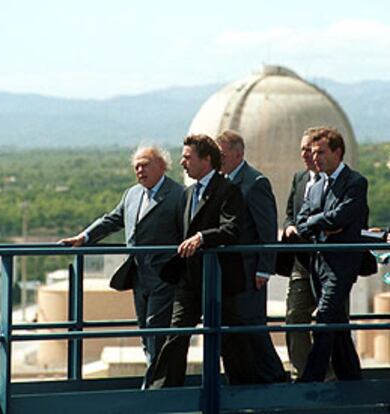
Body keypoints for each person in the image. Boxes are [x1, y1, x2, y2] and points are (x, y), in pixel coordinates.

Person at [59, 145, 184, 388]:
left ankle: (153, 390)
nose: (139, 170)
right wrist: (84, 237)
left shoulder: (178, 195)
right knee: (146, 336)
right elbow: (112, 220)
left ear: (162, 165)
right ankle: (157, 384)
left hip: (165, 278)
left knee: (155, 332)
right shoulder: (132, 195)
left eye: (145, 164)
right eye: (136, 165)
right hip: (139, 277)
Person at [149, 134, 248, 388]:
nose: (182, 163)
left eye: (187, 157)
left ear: (206, 160)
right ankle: (164, 394)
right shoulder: (188, 193)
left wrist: (203, 237)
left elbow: (232, 230)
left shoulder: (228, 191)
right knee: (177, 335)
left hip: (219, 281)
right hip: (189, 280)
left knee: (231, 342)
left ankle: (244, 392)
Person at [296, 127, 368, 382]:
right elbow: (301, 222)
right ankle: (352, 380)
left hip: (342, 264)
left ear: (338, 152)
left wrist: (319, 222)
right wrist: (323, 222)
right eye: (313, 153)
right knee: (336, 325)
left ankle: (309, 381)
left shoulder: (355, 182)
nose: (316, 158)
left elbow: (343, 215)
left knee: (324, 320)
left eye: (322, 152)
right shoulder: (315, 187)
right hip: (318, 263)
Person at [215, 130, 286, 384]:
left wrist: (264, 269)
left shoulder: (255, 182)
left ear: (238, 153)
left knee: (252, 327)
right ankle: (239, 380)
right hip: (226, 273)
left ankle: (275, 379)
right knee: (231, 331)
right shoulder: (220, 182)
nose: (218, 159)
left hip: (248, 271)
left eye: (222, 154)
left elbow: (266, 229)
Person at [278, 127, 323, 379]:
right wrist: (290, 227)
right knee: (295, 317)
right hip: (301, 262)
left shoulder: (336, 181)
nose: (306, 155)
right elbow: (288, 214)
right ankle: (301, 375)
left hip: (327, 262)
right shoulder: (299, 179)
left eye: (310, 149)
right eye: (303, 150)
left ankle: (327, 375)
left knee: (328, 322)